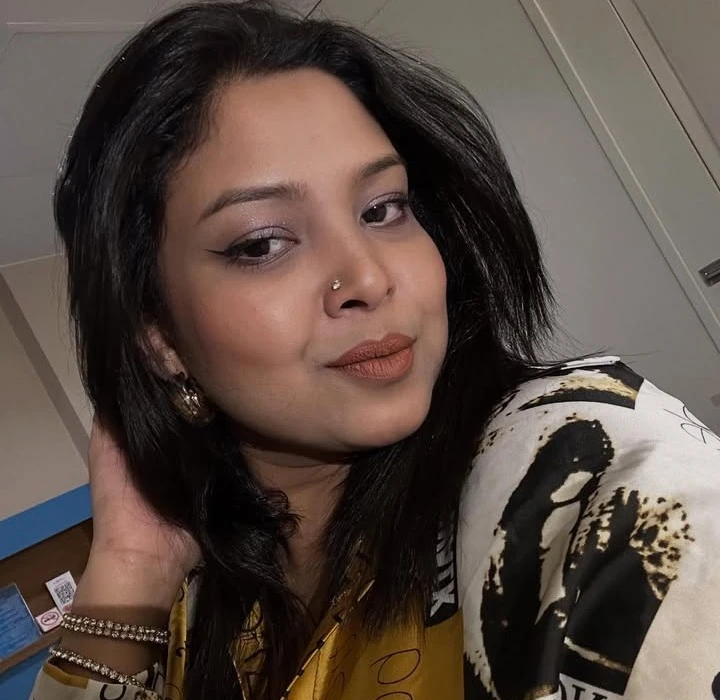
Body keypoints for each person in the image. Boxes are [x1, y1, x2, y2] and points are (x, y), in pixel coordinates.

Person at [30, 1, 720, 699]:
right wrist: (131, 568)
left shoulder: (574, 468)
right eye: (263, 243)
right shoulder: (195, 596)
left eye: (383, 209)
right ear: (159, 336)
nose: (367, 277)